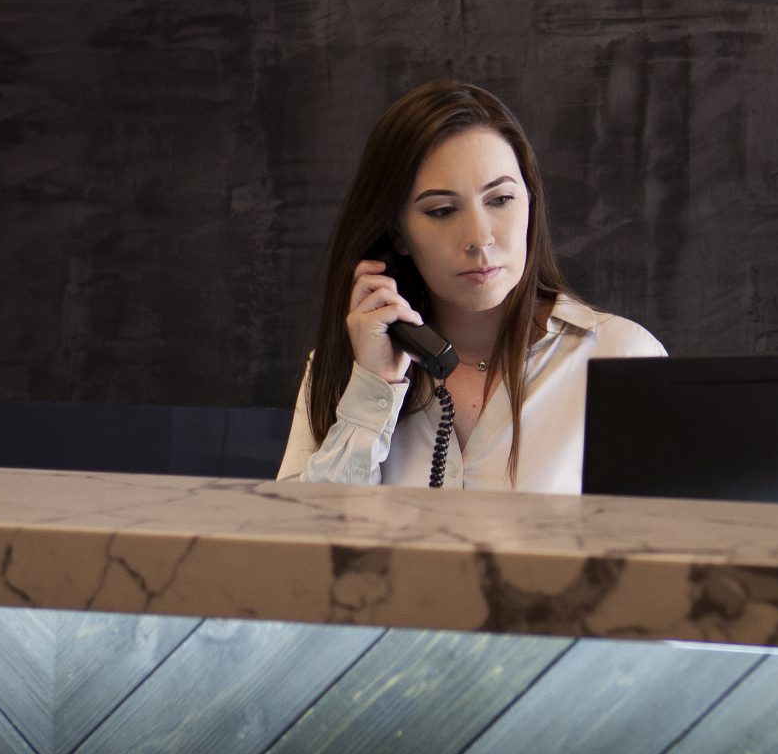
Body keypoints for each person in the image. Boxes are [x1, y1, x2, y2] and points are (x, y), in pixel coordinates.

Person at [278, 79, 664, 491]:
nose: (480, 239)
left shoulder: (623, 357)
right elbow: (295, 549)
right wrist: (373, 390)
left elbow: (672, 543)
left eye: (500, 200)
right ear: (398, 235)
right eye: (442, 210)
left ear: (530, 203)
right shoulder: (337, 371)